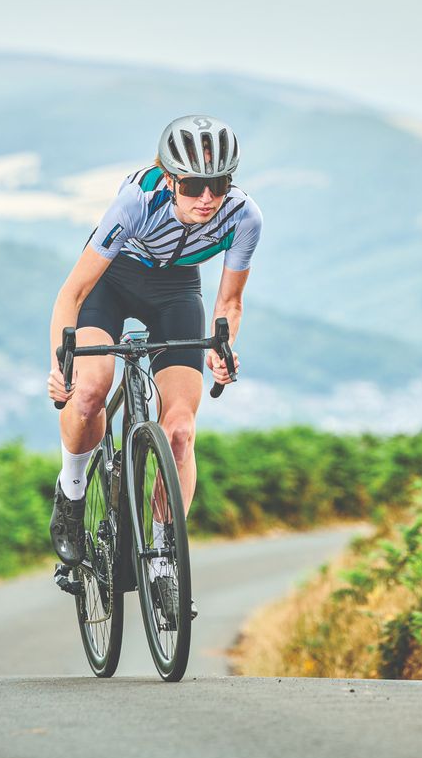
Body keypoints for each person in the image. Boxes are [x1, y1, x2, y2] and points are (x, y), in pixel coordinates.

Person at [45, 115, 262, 620]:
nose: (207, 198)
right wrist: (61, 364)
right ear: (170, 179)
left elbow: (230, 303)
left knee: (181, 431)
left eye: (219, 184)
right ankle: (72, 491)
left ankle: (164, 556)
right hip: (110, 282)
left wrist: (222, 349)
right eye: (192, 185)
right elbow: (72, 293)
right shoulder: (137, 203)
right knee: (91, 389)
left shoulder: (245, 217)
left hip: (176, 290)